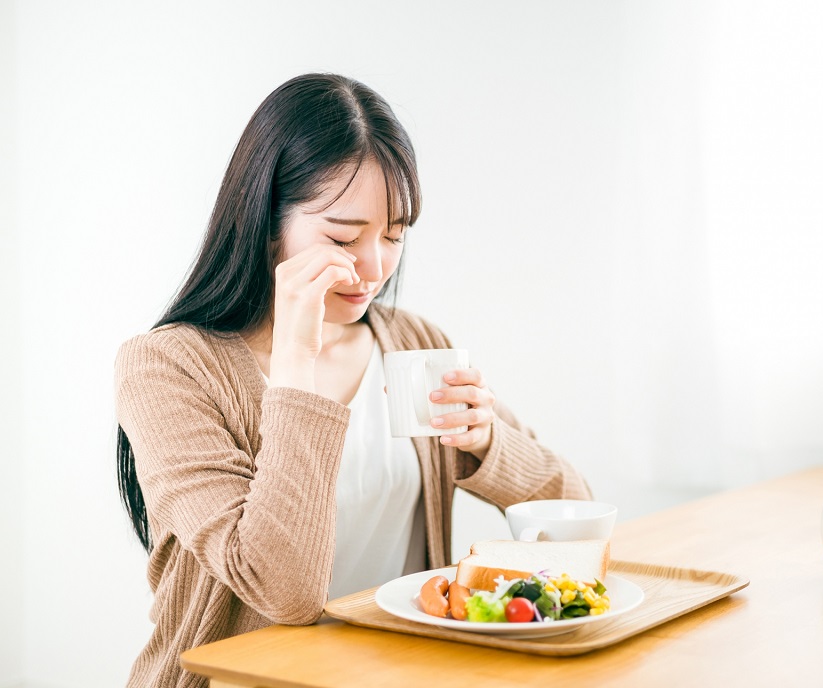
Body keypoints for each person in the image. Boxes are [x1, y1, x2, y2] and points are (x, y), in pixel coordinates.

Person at [114, 73, 591, 688]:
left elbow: (575, 514)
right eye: (342, 237)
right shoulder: (168, 368)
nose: (373, 269)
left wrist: (487, 444)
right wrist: (295, 366)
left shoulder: (414, 343)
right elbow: (284, 591)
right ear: (265, 222)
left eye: (394, 236)